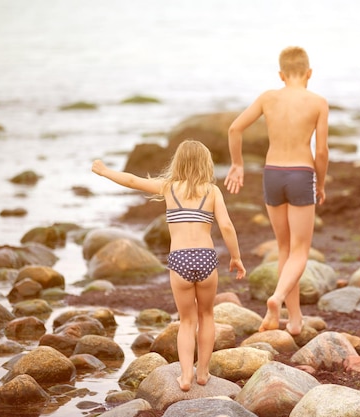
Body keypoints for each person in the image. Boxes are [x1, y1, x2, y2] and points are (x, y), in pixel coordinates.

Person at [92, 139, 246, 392]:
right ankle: (203, 372)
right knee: (207, 316)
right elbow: (227, 226)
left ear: (179, 162)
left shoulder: (168, 187)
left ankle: (186, 376)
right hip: (206, 258)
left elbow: (132, 181)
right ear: (206, 164)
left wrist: (105, 171)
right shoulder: (212, 191)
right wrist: (236, 257)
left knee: (186, 321)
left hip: (180, 260)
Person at [224, 46, 329, 336]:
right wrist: (320, 183)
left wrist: (237, 164)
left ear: (281, 74)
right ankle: (277, 298)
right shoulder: (318, 102)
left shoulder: (268, 97)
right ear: (309, 73)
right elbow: (321, 152)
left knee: (285, 248)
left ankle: (293, 320)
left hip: (272, 175)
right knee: (300, 250)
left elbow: (235, 129)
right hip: (300, 174)